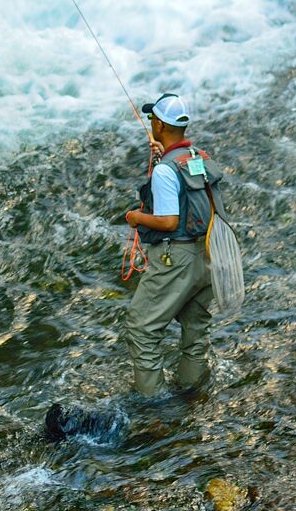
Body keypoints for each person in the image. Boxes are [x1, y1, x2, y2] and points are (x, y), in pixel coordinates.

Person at [123, 92, 225, 396]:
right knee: (195, 329)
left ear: (160, 125)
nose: (151, 122)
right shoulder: (197, 157)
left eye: (153, 118)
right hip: (208, 254)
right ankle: (192, 393)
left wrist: (135, 216)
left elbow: (168, 221)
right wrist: (162, 158)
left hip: (175, 259)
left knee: (141, 329)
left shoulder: (167, 170)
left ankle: (155, 407)